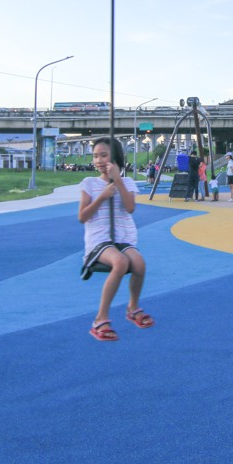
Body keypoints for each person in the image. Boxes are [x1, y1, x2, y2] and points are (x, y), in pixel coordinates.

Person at [78, 137, 154, 342]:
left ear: (116, 158)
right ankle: (100, 319)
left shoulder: (127, 182)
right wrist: (102, 196)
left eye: (104, 155)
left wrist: (117, 181)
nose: (99, 160)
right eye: (95, 156)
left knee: (139, 263)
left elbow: (130, 208)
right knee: (120, 263)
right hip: (99, 240)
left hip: (122, 238)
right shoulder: (89, 184)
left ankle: (132, 307)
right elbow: (82, 217)